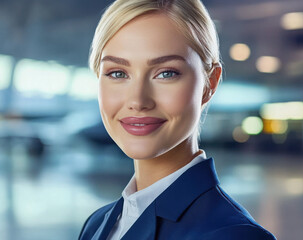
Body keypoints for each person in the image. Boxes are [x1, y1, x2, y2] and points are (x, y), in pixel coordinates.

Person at [78, 0, 277, 239]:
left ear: (209, 84)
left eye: (166, 73)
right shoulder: (97, 224)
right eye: (117, 73)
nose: (138, 100)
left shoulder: (233, 234)